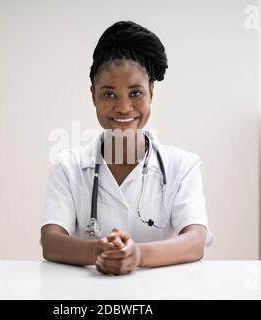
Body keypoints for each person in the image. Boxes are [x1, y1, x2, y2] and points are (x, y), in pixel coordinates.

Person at [40, 21, 213, 275]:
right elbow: (51, 241)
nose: (123, 107)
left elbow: (196, 241)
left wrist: (138, 254)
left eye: (135, 93)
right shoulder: (68, 165)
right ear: (93, 94)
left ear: (151, 92)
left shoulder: (182, 165)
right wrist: (97, 251)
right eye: (109, 94)